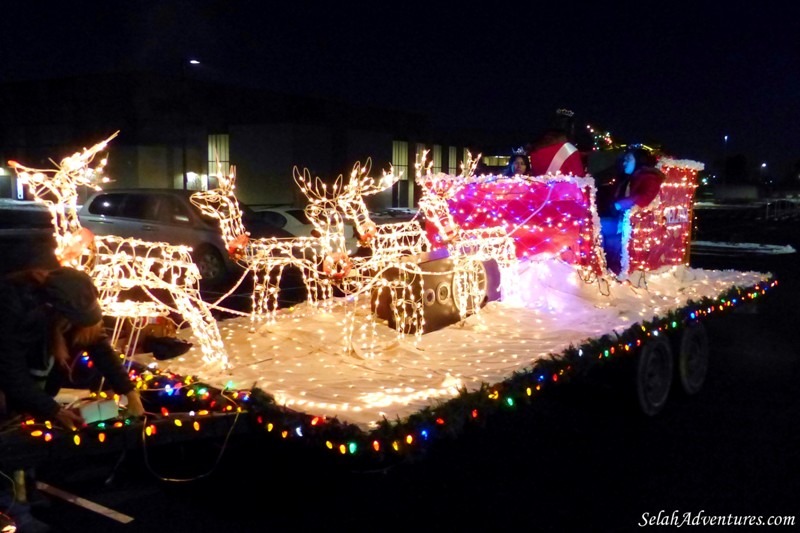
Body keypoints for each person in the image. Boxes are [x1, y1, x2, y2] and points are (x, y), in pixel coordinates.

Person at [0, 266, 145, 429]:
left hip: (30, 394)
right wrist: (54, 411)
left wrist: (129, 391)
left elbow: (99, 345)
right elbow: (11, 370)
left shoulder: (74, 300)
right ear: (55, 312)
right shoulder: (14, 309)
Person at [598, 147, 665, 276]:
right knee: (597, 227)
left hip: (630, 223)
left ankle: (612, 270)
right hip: (618, 219)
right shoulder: (628, 177)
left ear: (639, 160)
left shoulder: (650, 177)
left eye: (628, 159)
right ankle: (607, 267)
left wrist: (619, 205)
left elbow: (645, 196)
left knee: (601, 229)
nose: (624, 163)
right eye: (624, 160)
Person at [527, 108, 586, 177]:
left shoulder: (535, 148)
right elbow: (578, 179)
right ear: (571, 128)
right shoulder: (570, 150)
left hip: (537, 187)